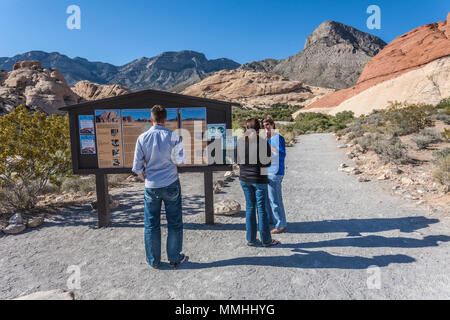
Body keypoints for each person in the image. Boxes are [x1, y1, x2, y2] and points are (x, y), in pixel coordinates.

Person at [132, 105, 187, 269]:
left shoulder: (142, 138)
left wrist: (146, 179)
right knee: (174, 223)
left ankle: (153, 260)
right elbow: (180, 162)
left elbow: (136, 167)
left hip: (151, 186)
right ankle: (175, 258)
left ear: (151, 119)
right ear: (165, 119)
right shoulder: (173, 137)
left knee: (151, 225)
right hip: (170, 184)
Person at [238, 118, 280, 247]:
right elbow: (267, 162)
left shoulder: (240, 142)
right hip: (259, 179)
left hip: (244, 178)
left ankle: (251, 239)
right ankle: (266, 240)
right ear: (258, 129)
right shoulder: (262, 142)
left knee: (250, 208)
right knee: (261, 210)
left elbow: (237, 159)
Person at [263, 117, 287, 234]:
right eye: (264, 125)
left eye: (268, 124)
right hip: (266, 172)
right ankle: (271, 220)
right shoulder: (266, 139)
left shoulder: (278, 138)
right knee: (267, 199)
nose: (266, 127)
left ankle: (280, 225)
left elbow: (281, 154)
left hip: (275, 173)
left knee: (275, 199)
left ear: (273, 125)